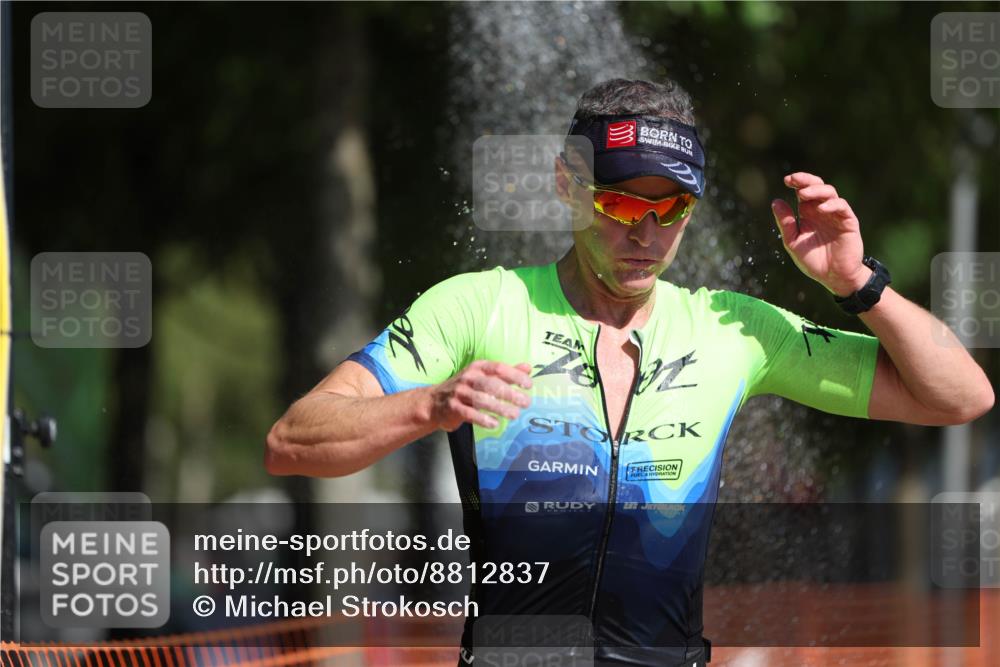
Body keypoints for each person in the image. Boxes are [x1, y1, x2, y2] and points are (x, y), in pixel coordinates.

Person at [265, 78, 994, 667]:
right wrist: (428, 405)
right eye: (619, 202)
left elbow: (960, 394)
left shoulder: (731, 329)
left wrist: (858, 283)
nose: (644, 233)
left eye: (671, 208)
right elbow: (292, 440)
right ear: (568, 186)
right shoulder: (479, 307)